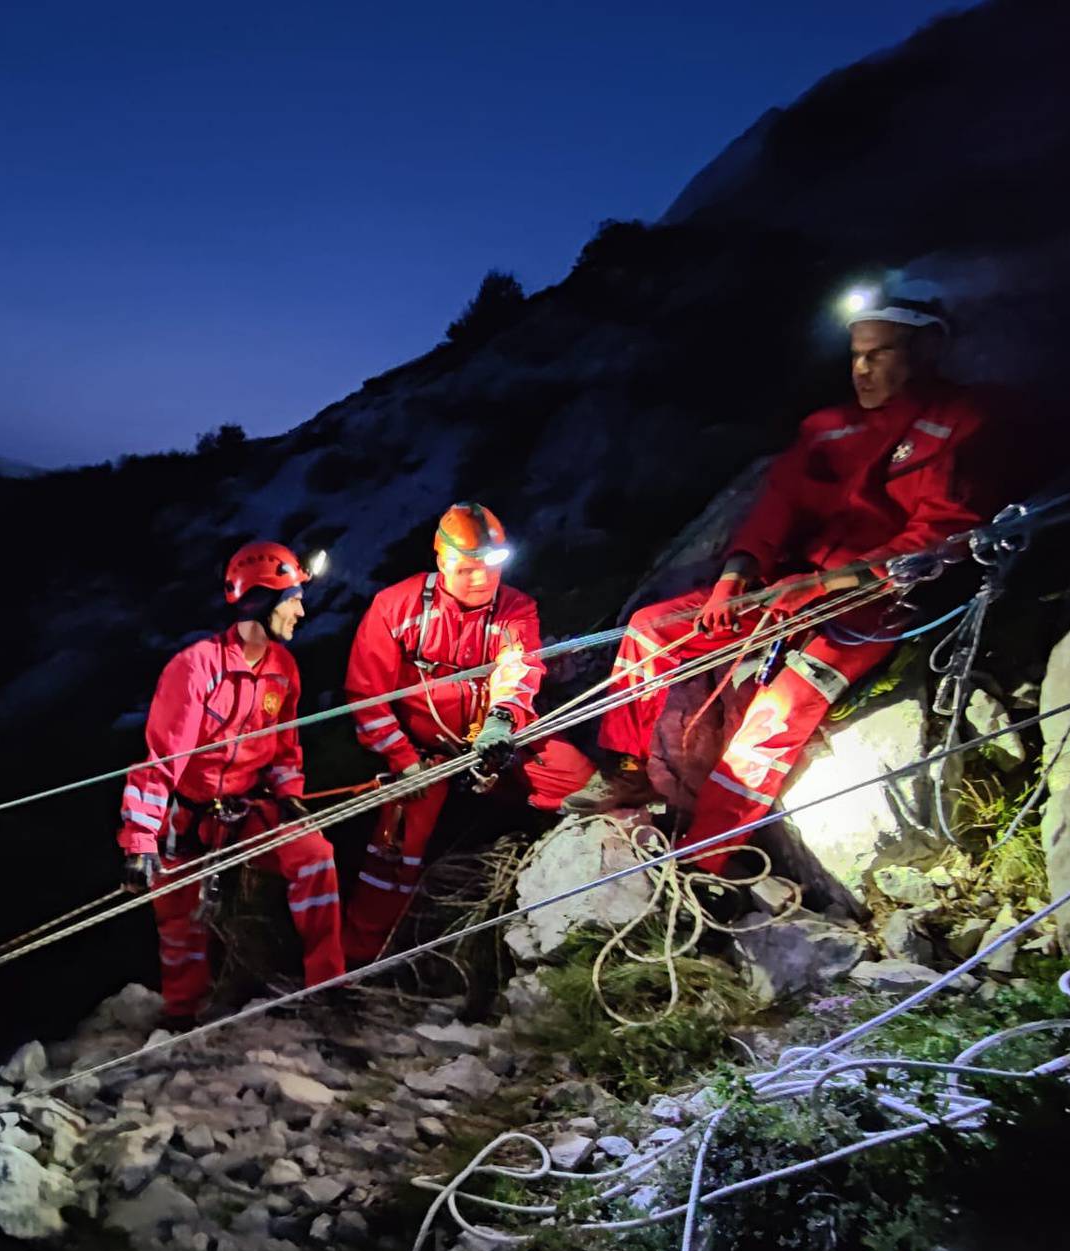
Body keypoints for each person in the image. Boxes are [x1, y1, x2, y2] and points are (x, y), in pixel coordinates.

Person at [579, 296, 1001, 873]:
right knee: (653, 628)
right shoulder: (829, 429)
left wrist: (827, 585)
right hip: (788, 586)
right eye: (856, 356)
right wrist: (736, 577)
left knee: (776, 714)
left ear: (925, 350)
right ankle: (633, 771)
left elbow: (938, 534)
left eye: (879, 355)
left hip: (873, 603)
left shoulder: (961, 425)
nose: (862, 370)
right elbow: (776, 508)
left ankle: (709, 858)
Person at [340, 503, 596, 963]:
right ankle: (359, 961)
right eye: (467, 569)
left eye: (491, 568)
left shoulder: (515, 609)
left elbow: (518, 667)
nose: (481, 580)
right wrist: (403, 761)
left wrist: (502, 720)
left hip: (494, 739)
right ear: (441, 563)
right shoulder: (395, 608)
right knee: (393, 857)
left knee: (579, 782)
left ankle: (573, 872)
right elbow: (366, 695)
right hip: (422, 754)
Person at [117, 542, 345, 1024]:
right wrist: (140, 842)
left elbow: (285, 748)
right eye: (293, 598)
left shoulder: (284, 670)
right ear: (261, 602)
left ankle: (327, 985)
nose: (302, 610)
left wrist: (290, 797)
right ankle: (183, 1013)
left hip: (246, 810)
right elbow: (161, 761)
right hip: (190, 816)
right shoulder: (197, 667)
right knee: (178, 921)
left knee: (314, 855)